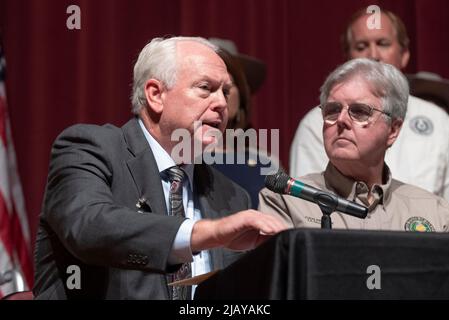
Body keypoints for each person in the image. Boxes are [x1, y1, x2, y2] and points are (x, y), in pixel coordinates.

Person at [33, 36, 287, 300]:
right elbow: (89, 227)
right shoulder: (88, 148)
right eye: (205, 88)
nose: (222, 104)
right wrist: (206, 232)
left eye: (225, 91)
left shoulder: (232, 194)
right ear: (155, 95)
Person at [260, 58, 449, 231]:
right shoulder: (286, 202)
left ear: (393, 130)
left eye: (360, 111)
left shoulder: (435, 212)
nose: (341, 120)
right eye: (332, 110)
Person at [289, 8, 449, 202]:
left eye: (383, 44)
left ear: (405, 54)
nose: (373, 55)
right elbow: (307, 206)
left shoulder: (438, 120)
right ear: (347, 57)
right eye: (361, 46)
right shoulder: (317, 122)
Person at [207, 39, 280, 208]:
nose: (218, 96)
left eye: (227, 87)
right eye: (206, 86)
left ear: (241, 98)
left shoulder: (265, 162)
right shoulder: (178, 158)